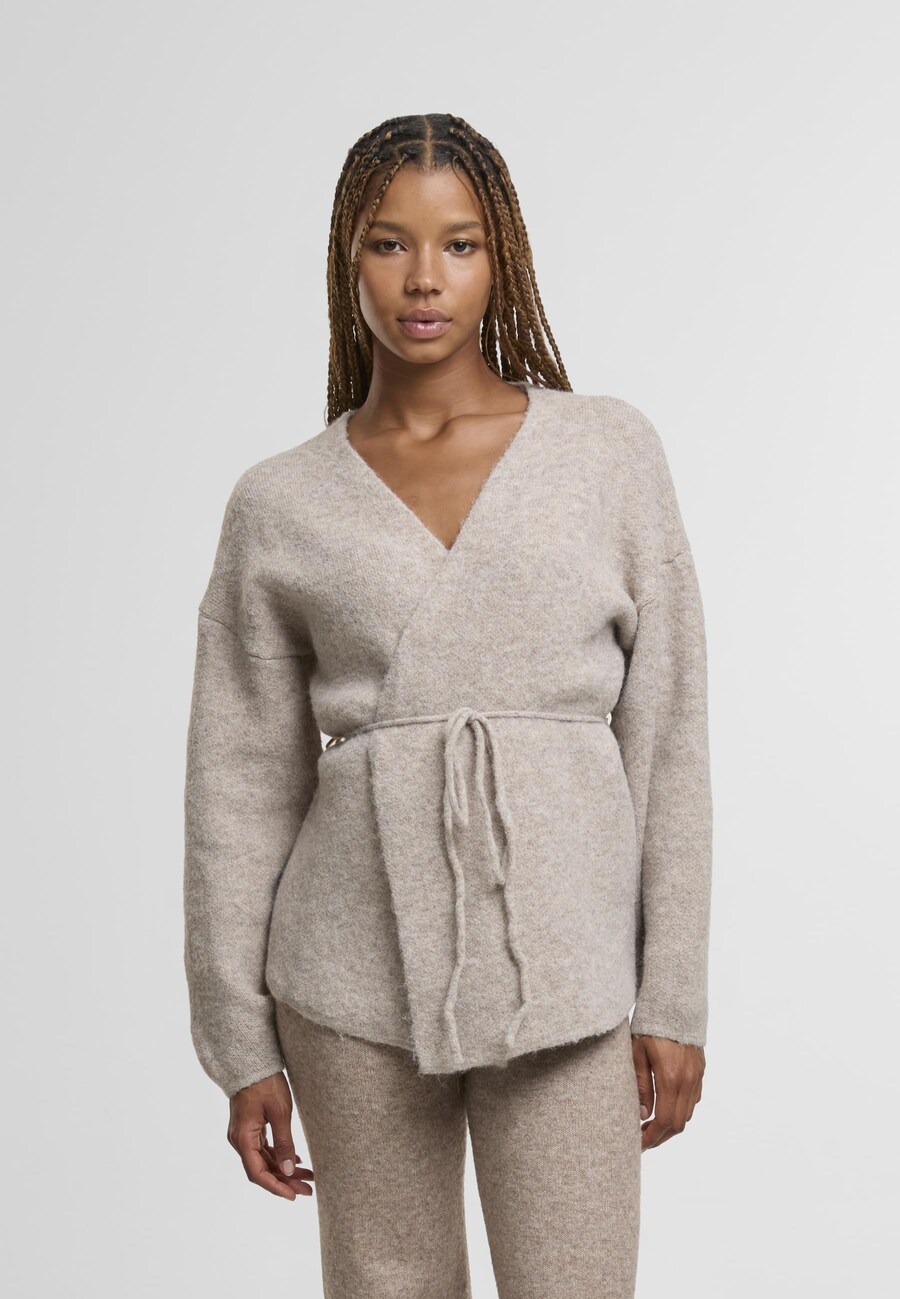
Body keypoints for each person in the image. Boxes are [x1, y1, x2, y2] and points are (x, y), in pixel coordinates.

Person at [183, 112, 712, 1298]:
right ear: (348, 257)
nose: (424, 278)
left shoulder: (607, 453)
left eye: (459, 244)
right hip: (346, 971)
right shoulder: (279, 502)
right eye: (390, 243)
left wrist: (673, 995)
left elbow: (669, 735)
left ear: (500, 257)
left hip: (571, 966)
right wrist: (237, 1039)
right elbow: (237, 784)